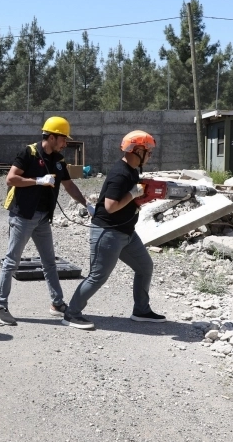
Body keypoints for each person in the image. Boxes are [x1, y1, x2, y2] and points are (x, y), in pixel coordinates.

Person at [63, 130, 166, 329]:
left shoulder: (133, 170)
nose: (150, 155)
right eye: (148, 151)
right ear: (137, 151)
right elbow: (110, 206)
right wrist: (132, 194)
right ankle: (71, 313)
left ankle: (141, 310)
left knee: (145, 267)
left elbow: (127, 201)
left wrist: (139, 199)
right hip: (108, 232)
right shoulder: (120, 173)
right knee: (98, 276)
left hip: (126, 232)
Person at [0, 116, 90, 327]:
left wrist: (87, 204)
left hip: (43, 218)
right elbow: (11, 179)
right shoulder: (28, 153)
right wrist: (38, 180)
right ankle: (0, 307)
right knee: (11, 262)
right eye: (63, 139)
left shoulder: (58, 160)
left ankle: (57, 303)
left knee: (49, 262)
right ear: (52, 137)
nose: (66, 143)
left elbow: (69, 185)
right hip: (23, 217)